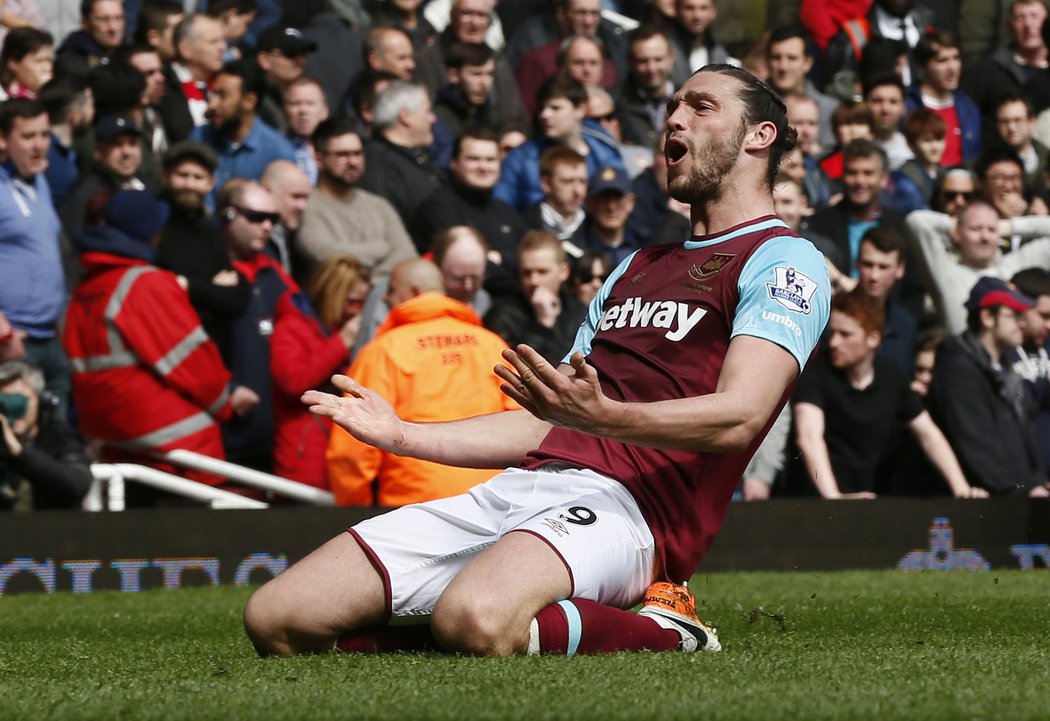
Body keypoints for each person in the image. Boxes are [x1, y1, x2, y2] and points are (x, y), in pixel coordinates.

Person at [243, 64, 830, 659]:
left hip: (635, 510)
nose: (674, 118)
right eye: (673, 106)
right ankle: (451, 625)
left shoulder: (783, 260)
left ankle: (668, 630)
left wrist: (601, 418)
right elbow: (549, 418)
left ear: (759, 136)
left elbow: (741, 418)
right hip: (524, 486)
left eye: (701, 107)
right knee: (277, 618)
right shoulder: (635, 267)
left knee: (477, 618)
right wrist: (403, 435)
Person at [62, 189, 235, 490]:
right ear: (151, 232)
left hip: (114, 442)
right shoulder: (147, 283)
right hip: (180, 452)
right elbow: (195, 363)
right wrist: (227, 405)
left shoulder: (88, 287)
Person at [326, 257, 519, 506]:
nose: (385, 299)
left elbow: (352, 450)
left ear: (413, 291)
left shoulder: (383, 351)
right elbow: (522, 424)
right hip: (493, 502)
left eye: (391, 290)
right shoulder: (490, 344)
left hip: (415, 506)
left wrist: (354, 510)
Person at [791, 290, 984, 499]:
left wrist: (961, 489)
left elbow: (929, 434)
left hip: (867, 500)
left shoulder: (890, 375)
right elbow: (809, 435)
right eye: (833, 333)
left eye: (845, 334)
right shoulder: (816, 372)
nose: (834, 342)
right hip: (814, 503)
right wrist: (833, 497)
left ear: (873, 339)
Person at [927, 276, 1050, 497]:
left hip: (1014, 500)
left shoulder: (1006, 367)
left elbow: (1024, 434)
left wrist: (1037, 481)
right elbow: (978, 445)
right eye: (1014, 315)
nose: (1022, 323)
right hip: (982, 506)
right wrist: (1023, 490)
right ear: (987, 317)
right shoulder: (958, 369)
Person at [270, 254, 370, 489]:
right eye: (353, 302)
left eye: (362, 303)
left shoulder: (351, 329)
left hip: (344, 459)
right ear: (332, 293)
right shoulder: (292, 326)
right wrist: (340, 344)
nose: (357, 311)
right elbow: (293, 382)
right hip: (305, 460)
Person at [0, 98, 69, 416]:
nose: (40, 145)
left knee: (55, 444)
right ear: (3, 139)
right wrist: (3, 332)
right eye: (28, 137)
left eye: (45, 134)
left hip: (49, 339)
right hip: (13, 344)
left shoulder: (38, 180)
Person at [156, 140, 250, 362]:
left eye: (198, 177)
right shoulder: (152, 224)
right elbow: (162, 291)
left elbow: (237, 300)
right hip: (166, 351)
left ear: (211, 183)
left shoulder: (210, 230)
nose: (190, 184)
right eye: (183, 175)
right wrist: (212, 290)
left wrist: (188, 285)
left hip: (209, 354)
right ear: (165, 177)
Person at [296, 116, 417, 284]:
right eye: (342, 155)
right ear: (319, 159)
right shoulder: (305, 206)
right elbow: (328, 256)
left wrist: (372, 283)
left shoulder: (379, 205)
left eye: (357, 153)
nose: (352, 162)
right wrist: (383, 248)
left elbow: (407, 255)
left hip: (387, 298)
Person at [907, 200, 1050, 334]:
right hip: (964, 357)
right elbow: (916, 221)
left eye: (992, 230)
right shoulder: (946, 273)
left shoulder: (1011, 267)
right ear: (957, 234)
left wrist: (1009, 226)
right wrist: (954, 225)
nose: (985, 237)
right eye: (976, 229)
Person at [191, 59, 296, 200]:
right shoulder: (199, 137)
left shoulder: (278, 153)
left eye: (223, 96)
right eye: (213, 95)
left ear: (249, 101)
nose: (213, 105)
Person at [484, 230, 588, 366]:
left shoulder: (580, 313)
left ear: (563, 272)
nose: (533, 281)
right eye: (526, 273)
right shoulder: (502, 315)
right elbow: (511, 371)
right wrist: (542, 325)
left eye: (542, 272)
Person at [0, 359, 92, 511]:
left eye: (18, 401)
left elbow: (76, 485)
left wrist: (19, 452)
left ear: (41, 401)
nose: (12, 411)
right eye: (3, 402)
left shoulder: (58, 435)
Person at [358, 80, 445, 225]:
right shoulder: (377, 164)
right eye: (427, 111)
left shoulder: (416, 156)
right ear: (405, 116)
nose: (433, 119)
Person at [1, 27, 53, 100]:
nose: (48, 68)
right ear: (13, 63)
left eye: (49, 60)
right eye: (39, 61)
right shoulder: (7, 98)